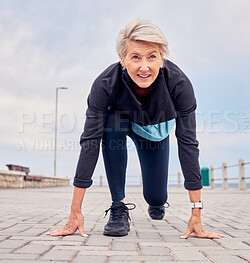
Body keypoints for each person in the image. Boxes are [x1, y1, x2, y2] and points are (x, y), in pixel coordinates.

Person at [46, 18, 223, 239]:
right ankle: (118, 207)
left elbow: (188, 144)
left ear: (162, 58)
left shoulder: (179, 85)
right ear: (123, 59)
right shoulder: (104, 85)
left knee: (156, 197)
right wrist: (74, 212)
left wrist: (196, 213)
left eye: (152, 57)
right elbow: (90, 141)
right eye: (135, 57)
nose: (144, 67)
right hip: (120, 124)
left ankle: (156, 202)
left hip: (154, 133)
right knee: (111, 122)